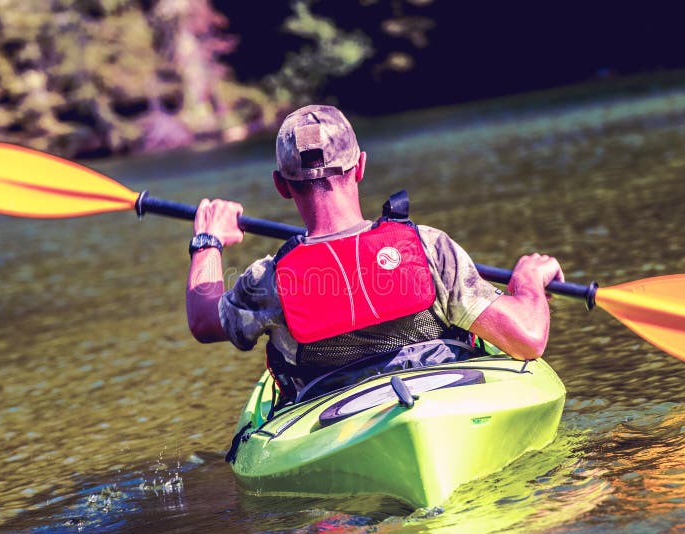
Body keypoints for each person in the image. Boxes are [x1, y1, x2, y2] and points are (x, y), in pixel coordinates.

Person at [186, 105, 564, 401]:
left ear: (281, 186)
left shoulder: (269, 280)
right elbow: (528, 339)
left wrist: (207, 240)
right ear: (360, 166)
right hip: (443, 398)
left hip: (333, 418)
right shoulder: (427, 247)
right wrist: (527, 279)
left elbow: (204, 320)